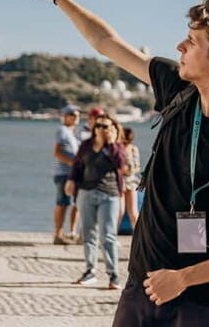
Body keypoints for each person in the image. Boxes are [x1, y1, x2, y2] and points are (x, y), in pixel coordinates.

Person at [12, 0, 209, 326]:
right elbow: (106, 43)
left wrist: (183, 278)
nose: (179, 47)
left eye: (192, 41)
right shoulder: (177, 89)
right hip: (142, 286)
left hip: (203, 300)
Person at [66, 113, 127, 289]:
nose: (101, 129)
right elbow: (77, 165)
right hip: (86, 192)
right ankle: (90, 270)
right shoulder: (86, 146)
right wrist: (71, 181)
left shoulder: (116, 147)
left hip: (109, 194)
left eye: (105, 126)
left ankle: (113, 274)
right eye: (98, 126)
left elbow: (121, 165)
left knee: (107, 235)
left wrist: (112, 143)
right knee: (88, 233)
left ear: (113, 129)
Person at [53, 104, 81, 245]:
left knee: (75, 203)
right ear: (65, 116)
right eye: (72, 114)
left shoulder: (73, 133)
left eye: (77, 114)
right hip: (64, 173)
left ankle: (71, 232)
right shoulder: (63, 131)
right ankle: (58, 234)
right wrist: (74, 164)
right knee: (62, 203)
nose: (76, 117)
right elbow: (57, 152)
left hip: (73, 174)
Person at [119, 127, 141, 231]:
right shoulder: (118, 148)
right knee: (120, 211)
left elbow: (137, 166)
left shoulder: (133, 149)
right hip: (119, 181)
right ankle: (113, 236)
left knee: (133, 212)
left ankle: (137, 235)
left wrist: (128, 170)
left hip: (131, 182)